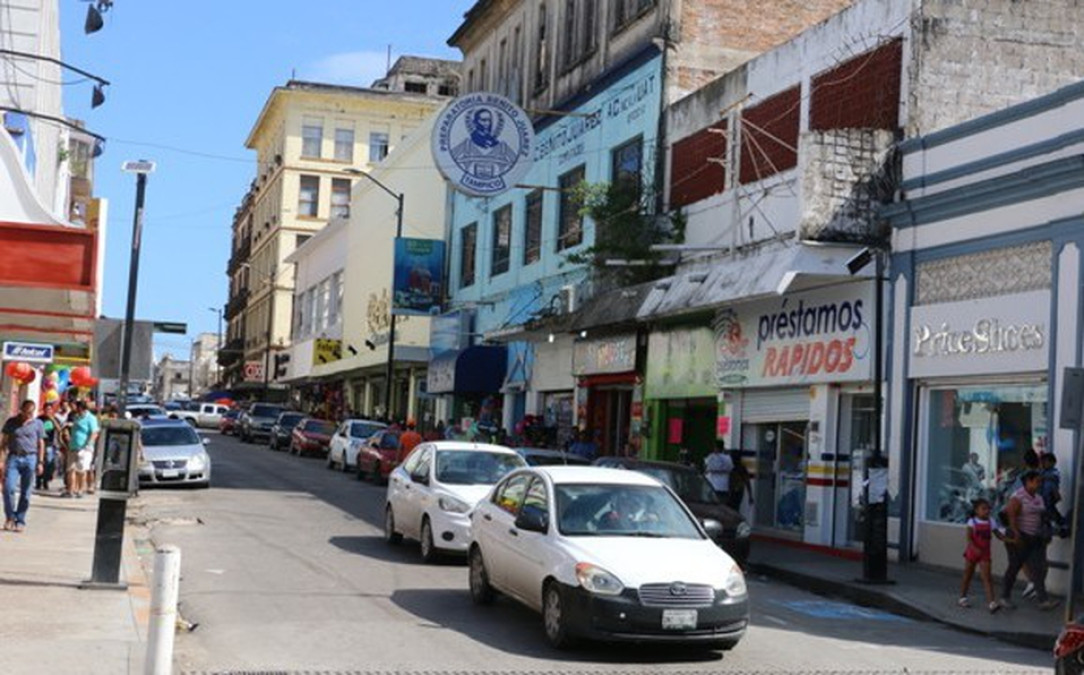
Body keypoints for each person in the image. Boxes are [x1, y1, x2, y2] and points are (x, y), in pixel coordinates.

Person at [1000, 470, 1059, 610]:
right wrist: (1015, 534)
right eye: (1036, 481)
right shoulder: (1018, 496)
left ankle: (1043, 601)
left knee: (1040, 568)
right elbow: (1011, 515)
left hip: (1035, 537)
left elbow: (1042, 514)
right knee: (1014, 566)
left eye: (1040, 481)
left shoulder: (1038, 497)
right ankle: (1004, 597)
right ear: (1028, 481)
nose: (1039, 484)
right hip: (1020, 536)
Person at [1, 399, 46, 532]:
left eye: (31, 413)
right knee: (8, 488)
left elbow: (41, 443)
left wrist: (40, 462)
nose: (28, 416)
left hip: (30, 458)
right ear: (21, 410)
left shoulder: (38, 424)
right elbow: (3, 442)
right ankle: (10, 517)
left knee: (26, 492)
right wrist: (1, 460)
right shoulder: (12, 422)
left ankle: (20, 519)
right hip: (14, 457)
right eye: (27, 412)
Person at [958, 498, 999, 613]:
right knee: (968, 574)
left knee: (987, 577)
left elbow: (998, 534)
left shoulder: (991, 521)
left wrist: (1009, 540)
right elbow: (969, 538)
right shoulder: (972, 522)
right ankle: (962, 597)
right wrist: (974, 548)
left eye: (988, 509)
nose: (987, 511)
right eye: (983, 509)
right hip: (972, 552)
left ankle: (991, 602)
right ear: (976, 511)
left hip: (985, 553)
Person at [65, 401, 100, 499]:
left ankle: (80, 490)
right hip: (73, 447)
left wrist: (88, 445)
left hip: (84, 448)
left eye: (78, 408)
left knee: (81, 470)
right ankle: (70, 490)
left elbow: (94, 432)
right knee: (71, 469)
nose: (77, 410)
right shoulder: (77, 417)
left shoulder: (91, 418)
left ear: (83, 408)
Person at [35, 402, 61, 491]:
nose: (48, 411)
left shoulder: (55, 419)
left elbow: (59, 429)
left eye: (50, 409)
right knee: (39, 461)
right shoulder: (39, 419)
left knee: (48, 464)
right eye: (46, 409)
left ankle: (45, 481)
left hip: (50, 444)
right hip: (39, 443)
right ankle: (38, 481)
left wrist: (52, 419)